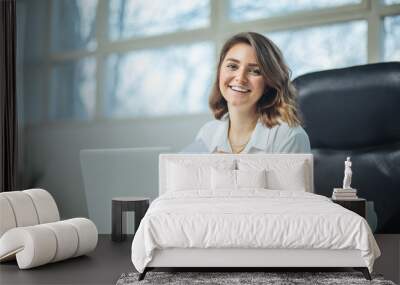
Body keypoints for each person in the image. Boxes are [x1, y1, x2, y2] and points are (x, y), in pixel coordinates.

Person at [182, 32, 310, 154]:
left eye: (255, 71)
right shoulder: (207, 133)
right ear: (219, 72)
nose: (240, 78)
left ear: (268, 83)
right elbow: (182, 175)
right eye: (232, 66)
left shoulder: (289, 136)